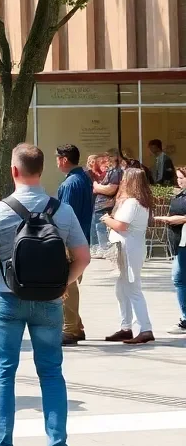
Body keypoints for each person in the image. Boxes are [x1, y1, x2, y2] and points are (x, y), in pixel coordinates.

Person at [0, 143, 90, 446]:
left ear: (13, 171)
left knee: (4, 371)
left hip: (9, 300)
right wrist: (62, 284)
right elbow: (83, 257)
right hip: (49, 303)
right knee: (52, 374)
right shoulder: (62, 210)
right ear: (42, 170)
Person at [100, 166, 155, 345]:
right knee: (122, 289)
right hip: (130, 248)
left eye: (124, 178)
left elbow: (121, 225)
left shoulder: (133, 202)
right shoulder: (139, 201)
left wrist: (106, 219)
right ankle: (126, 328)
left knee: (132, 288)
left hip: (129, 249)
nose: (122, 181)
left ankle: (145, 329)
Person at [55, 144, 94, 345]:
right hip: (81, 238)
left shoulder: (70, 183)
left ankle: (70, 328)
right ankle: (76, 326)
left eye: (57, 157)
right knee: (70, 281)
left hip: (70, 240)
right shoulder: (84, 179)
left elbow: (65, 217)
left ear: (63, 159)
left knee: (67, 283)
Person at [155, 166, 186, 334]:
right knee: (179, 278)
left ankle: (185, 320)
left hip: (184, 242)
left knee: (179, 278)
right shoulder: (179, 194)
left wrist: (174, 219)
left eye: (182, 178)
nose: (179, 181)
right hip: (179, 241)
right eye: (178, 178)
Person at [91, 149, 122, 252]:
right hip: (101, 205)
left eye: (109, 157)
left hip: (106, 205)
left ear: (115, 157)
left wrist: (96, 185)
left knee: (101, 229)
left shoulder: (116, 172)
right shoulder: (111, 171)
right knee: (97, 228)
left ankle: (104, 250)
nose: (106, 159)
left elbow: (111, 189)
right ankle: (99, 249)